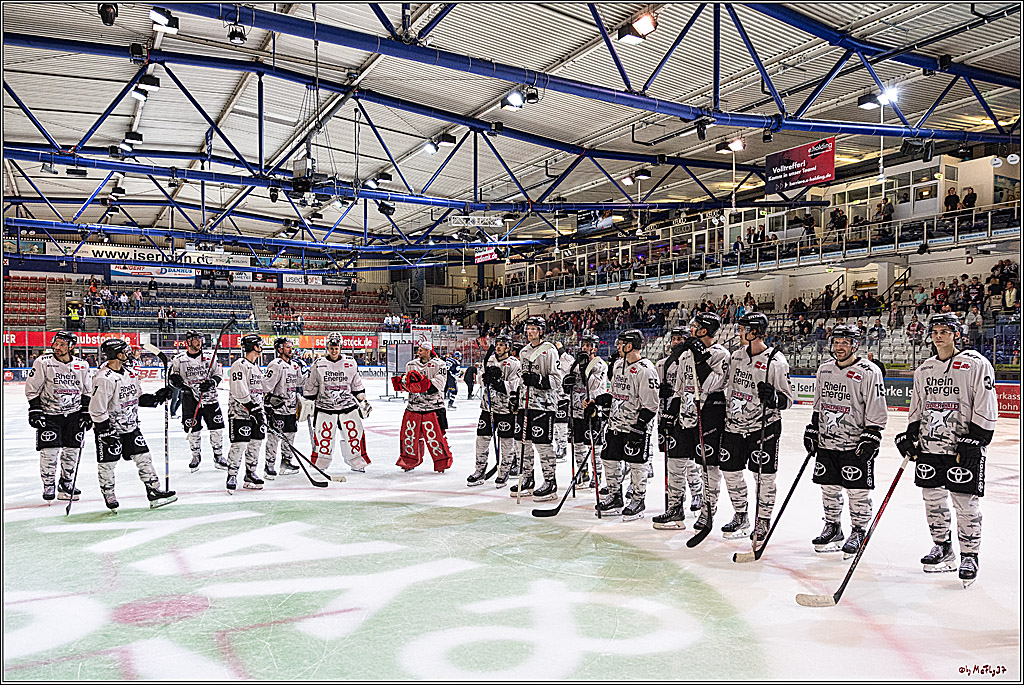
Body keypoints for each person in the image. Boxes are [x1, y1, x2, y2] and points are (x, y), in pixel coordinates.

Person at [894, 313, 997, 587]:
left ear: (956, 334)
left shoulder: (975, 364)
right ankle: (942, 546)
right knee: (933, 501)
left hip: (962, 447)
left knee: (965, 503)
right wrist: (910, 434)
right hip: (930, 446)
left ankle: (969, 555)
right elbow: (917, 405)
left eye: (944, 331)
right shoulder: (924, 369)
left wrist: (979, 437)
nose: (938, 335)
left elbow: (985, 402)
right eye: (935, 330)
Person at [804, 324, 888, 557]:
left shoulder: (868, 371)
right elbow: (819, 402)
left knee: (857, 489)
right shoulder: (825, 369)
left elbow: (876, 405)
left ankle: (859, 530)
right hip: (827, 441)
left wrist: (872, 434)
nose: (839, 347)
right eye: (837, 342)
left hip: (855, 443)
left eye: (845, 343)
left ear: (854, 345)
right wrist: (813, 427)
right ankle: (833, 526)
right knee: (828, 487)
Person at [718, 312, 795, 542]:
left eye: (743, 329)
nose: (739, 333)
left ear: (754, 332)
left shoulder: (776, 361)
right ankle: (741, 514)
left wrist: (773, 398)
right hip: (734, 425)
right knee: (730, 472)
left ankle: (763, 520)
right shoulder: (736, 357)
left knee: (763, 476)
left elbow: (788, 399)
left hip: (764, 427)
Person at [657, 313, 730, 531]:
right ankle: (675, 507)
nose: (692, 329)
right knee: (676, 461)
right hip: (685, 413)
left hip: (710, 413)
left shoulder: (721, 354)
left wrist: (701, 359)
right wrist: (671, 411)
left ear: (705, 330)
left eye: (696, 326)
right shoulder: (686, 354)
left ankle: (708, 511)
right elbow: (680, 386)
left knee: (708, 466)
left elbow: (714, 384)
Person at [89, 338, 175, 511]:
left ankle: (153, 490)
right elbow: (96, 409)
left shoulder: (129, 373)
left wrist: (157, 397)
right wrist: (105, 432)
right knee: (108, 464)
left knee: (144, 458)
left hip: (131, 427)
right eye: (125, 351)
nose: (129, 354)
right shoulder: (104, 378)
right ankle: (109, 493)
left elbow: (138, 398)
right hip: (109, 429)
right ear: (118, 354)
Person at [591, 329, 659, 520]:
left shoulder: (646, 369)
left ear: (630, 345)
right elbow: (615, 394)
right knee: (609, 459)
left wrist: (640, 426)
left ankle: (638, 499)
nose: (618, 346)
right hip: (615, 424)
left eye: (621, 343)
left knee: (637, 464)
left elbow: (651, 404)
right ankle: (614, 496)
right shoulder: (619, 364)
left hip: (635, 426)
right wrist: (600, 401)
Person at [25, 331, 93, 502]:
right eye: (56, 343)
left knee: (72, 451)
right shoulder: (43, 362)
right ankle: (49, 485)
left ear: (71, 347)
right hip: (50, 414)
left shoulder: (81, 365)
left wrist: (86, 411)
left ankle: (66, 483)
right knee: (49, 452)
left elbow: (87, 389)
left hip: (74, 414)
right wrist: (35, 410)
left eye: (62, 344)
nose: (57, 347)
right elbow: (32, 387)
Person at [510, 316, 564, 501]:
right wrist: (516, 394)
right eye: (528, 328)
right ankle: (527, 478)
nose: (530, 331)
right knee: (521, 443)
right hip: (525, 404)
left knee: (543, 445)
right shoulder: (524, 351)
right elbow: (522, 378)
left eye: (534, 328)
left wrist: (539, 381)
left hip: (544, 405)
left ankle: (550, 482)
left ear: (541, 331)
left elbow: (558, 380)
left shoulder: (550, 351)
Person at [651, 328, 700, 527]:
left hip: (687, 416)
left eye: (680, 339)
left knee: (688, 460)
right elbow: (652, 389)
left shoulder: (692, 362)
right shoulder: (662, 364)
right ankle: (676, 501)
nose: (676, 342)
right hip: (667, 416)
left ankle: (696, 492)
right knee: (672, 459)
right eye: (674, 339)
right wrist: (659, 393)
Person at [304, 332, 372, 473]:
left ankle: (357, 463)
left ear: (340, 347)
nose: (334, 351)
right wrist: (308, 402)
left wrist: (363, 400)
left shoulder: (350, 363)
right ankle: (321, 464)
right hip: (325, 407)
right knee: (324, 437)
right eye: (331, 348)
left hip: (348, 407)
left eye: (336, 348)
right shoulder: (319, 364)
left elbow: (356, 385)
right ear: (327, 347)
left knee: (354, 434)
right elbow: (311, 385)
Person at [168, 330, 226, 472]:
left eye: (200, 339)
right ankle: (195, 455)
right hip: (190, 400)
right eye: (195, 339)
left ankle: (218, 456)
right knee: (193, 429)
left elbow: (218, 375)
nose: (199, 341)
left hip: (210, 398)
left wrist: (211, 383)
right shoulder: (179, 360)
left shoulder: (210, 357)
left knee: (216, 428)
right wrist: (176, 382)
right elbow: (173, 379)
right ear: (188, 342)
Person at [469, 335, 521, 487]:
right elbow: (480, 379)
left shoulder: (514, 363)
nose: (498, 347)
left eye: (502, 345)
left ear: (508, 347)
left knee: (506, 442)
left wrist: (498, 382)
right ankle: (479, 469)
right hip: (487, 407)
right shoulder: (489, 360)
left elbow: (514, 386)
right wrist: (484, 378)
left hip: (506, 410)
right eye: (497, 344)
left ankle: (504, 471)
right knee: (481, 439)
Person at [394, 340, 453, 473]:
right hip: (413, 407)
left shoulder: (440, 364)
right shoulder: (411, 364)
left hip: (434, 408)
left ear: (428, 351)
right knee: (410, 436)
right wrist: (404, 383)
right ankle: (409, 462)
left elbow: (437, 386)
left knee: (437, 437)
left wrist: (419, 383)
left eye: (421, 350)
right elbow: (405, 384)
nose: (418, 352)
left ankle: (442, 463)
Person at [565, 333, 608, 490]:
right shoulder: (575, 364)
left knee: (594, 446)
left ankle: (597, 475)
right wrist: (566, 384)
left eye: (589, 345)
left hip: (592, 411)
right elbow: (568, 384)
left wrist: (584, 368)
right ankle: (582, 473)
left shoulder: (600, 364)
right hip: (575, 411)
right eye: (584, 345)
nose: (585, 348)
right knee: (577, 445)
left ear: (595, 348)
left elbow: (593, 385)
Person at [224, 334, 267, 492]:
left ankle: (250, 473)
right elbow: (238, 389)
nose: (261, 347)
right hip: (240, 413)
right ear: (254, 346)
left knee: (256, 443)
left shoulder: (256, 366)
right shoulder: (239, 364)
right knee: (240, 444)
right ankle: (232, 474)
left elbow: (258, 390)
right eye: (259, 344)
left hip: (256, 412)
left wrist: (262, 408)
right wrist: (251, 407)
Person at [262, 338, 303, 479]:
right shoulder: (276, 365)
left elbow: (300, 382)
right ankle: (269, 465)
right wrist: (268, 403)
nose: (291, 349)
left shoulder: (294, 366)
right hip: (277, 410)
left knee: (290, 436)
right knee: (274, 438)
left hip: (291, 409)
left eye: (291, 347)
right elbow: (266, 386)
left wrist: (311, 371)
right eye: (287, 347)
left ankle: (286, 462)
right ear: (280, 349)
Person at [553, 341, 576, 463]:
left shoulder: (567, 359)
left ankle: (563, 446)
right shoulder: (551, 358)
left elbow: (571, 365)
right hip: (552, 396)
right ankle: (558, 445)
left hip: (563, 396)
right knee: (555, 424)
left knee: (561, 423)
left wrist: (561, 350)